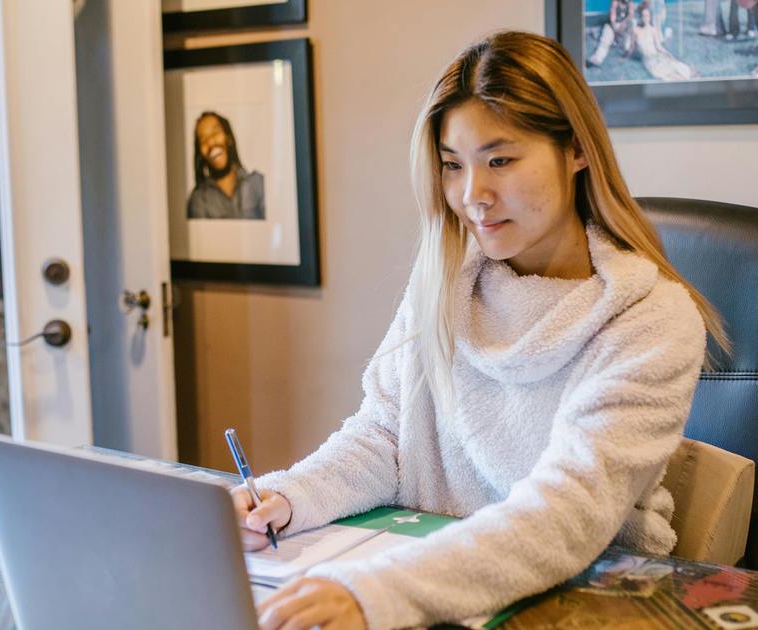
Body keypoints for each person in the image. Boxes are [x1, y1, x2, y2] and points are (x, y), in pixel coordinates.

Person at [236, 30, 728, 630]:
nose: (473, 196)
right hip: (436, 586)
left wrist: (378, 592)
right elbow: (385, 437)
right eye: (452, 165)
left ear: (576, 150)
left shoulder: (651, 319)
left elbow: (565, 515)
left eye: (500, 160)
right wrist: (289, 497)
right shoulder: (444, 284)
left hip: (583, 598)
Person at [186, 111, 266, 220]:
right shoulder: (198, 200)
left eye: (215, 132)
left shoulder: (258, 184)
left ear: (229, 138)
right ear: (200, 153)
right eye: (203, 139)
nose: (211, 142)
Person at [632, 3, 700, 81]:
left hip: (656, 55)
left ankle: (690, 76)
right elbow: (632, 47)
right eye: (643, 16)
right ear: (640, 16)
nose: (645, 18)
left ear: (650, 17)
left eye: (647, 16)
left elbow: (658, 47)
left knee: (673, 64)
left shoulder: (653, 30)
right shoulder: (636, 30)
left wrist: (668, 54)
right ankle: (685, 80)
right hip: (648, 59)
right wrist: (625, 56)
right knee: (662, 73)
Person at [586, 0, 635, 68]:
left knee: (628, 39)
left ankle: (627, 52)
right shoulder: (615, 2)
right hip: (612, 25)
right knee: (605, 41)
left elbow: (630, 15)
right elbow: (612, 19)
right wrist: (616, 33)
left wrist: (624, 22)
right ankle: (596, 59)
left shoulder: (630, 4)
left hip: (622, 26)